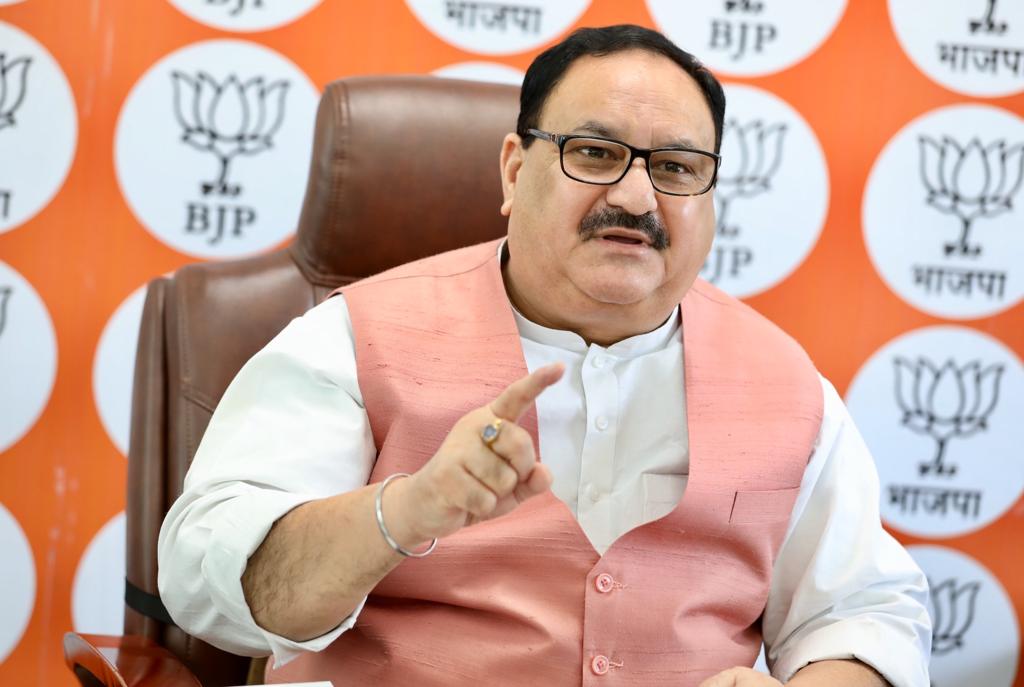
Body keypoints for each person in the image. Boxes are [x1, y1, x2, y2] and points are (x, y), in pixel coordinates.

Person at [158, 24, 931, 687]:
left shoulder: (784, 382)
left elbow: (864, 608)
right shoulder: (350, 338)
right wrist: (401, 511)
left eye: (676, 168)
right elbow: (207, 581)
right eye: (594, 153)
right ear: (514, 169)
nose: (634, 198)